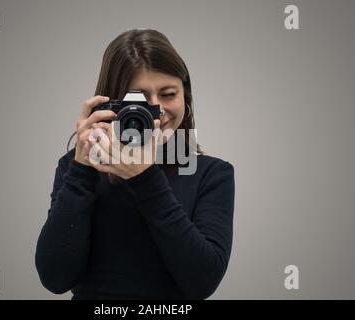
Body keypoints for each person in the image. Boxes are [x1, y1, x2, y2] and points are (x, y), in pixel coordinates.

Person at [35, 29, 235, 300]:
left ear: (185, 97)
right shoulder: (78, 167)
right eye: (139, 99)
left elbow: (202, 281)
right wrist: (82, 170)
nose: (157, 111)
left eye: (168, 94)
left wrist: (145, 178)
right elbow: (55, 278)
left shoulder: (211, 174)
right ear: (111, 103)